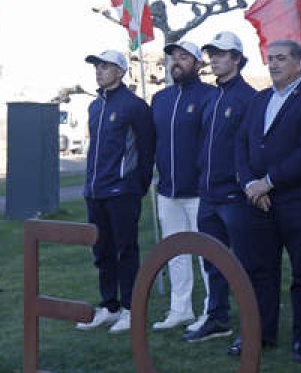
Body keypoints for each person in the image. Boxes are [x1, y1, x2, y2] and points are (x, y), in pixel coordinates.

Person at [233, 40, 301, 359]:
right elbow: (243, 143)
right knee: (260, 271)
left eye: (281, 58)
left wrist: (268, 183)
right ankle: (260, 334)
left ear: (299, 63)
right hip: (258, 202)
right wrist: (251, 184)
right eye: (270, 58)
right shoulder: (260, 100)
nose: (273, 64)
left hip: (297, 200)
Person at [75, 49, 156, 334]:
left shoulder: (134, 106)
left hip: (123, 192)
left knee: (125, 250)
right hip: (95, 192)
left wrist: (137, 186)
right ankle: (109, 306)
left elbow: (147, 151)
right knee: (102, 251)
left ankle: (131, 309)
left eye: (106, 67)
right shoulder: (95, 106)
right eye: (97, 66)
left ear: (120, 72)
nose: (99, 71)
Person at [183, 31, 256, 343]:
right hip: (209, 196)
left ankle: (252, 326)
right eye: (211, 53)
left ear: (237, 59)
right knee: (212, 262)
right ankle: (217, 318)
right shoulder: (212, 98)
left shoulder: (248, 98)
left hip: (235, 197)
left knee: (245, 264)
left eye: (221, 54)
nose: (214, 59)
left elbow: (252, 149)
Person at [149, 40, 215, 332]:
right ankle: (180, 308)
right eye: (174, 57)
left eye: (184, 57)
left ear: (198, 64)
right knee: (175, 252)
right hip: (167, 191)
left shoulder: (210, 96)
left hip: (199, 191)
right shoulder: (160, 99)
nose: (177, 61)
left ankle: (212, 310)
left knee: (208, 255)